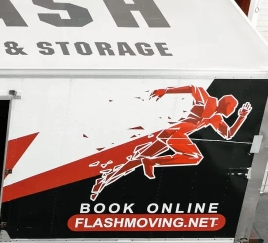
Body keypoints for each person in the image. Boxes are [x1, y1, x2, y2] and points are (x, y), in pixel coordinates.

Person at [91, 85, 252, 199]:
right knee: (195, 157)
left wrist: (242, 117)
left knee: (135, 162)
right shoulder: (206, 98)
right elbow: (191, 88)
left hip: (169, 134)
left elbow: (228, 134)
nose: (231, 112)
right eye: (232, 109)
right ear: (226, 105)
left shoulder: (216, 118)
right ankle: (152, 161)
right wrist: (166, 91)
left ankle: (103, 181)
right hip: (175, 133)